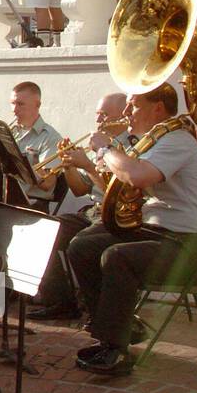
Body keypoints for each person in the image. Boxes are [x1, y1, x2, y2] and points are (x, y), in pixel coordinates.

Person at [67, 84, 197, 377]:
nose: (126, 112)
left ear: (157, 108)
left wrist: (105, 149)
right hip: (157, 231)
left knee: (116, 256)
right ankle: (117, 327)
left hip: (186, 244)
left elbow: (136, 175)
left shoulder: (177, 141)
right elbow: (121, 182)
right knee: (81, 246)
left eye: (133, 105)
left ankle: (116, 350)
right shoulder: (154, 141)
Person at [28, 92, 130, 321]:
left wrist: (88, 166)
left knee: (81, 245)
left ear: (123, 117)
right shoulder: (99, 144)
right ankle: (61, 302)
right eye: (97, 114)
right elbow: (80, 190)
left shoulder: (127, 148)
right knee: (42, 231)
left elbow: (118, 194)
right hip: (92, 210)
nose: (99, 120)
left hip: (114, 213)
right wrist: (68, 165)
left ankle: (99, 313)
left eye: (105, 115)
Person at [6, 81, 63, 207]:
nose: (14, 110)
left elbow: (48, 183)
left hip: (32, 202)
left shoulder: (50, 137)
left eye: (20, 104)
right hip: (6, 197)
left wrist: (19, 164)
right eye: (13, 103)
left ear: (37, 105)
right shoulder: (10, 132)